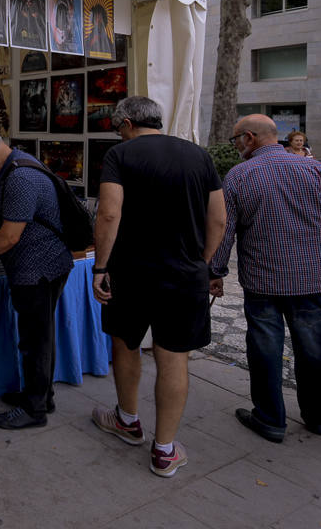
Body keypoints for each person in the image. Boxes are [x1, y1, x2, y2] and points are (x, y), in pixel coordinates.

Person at [90, 96, 226, 478]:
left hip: (130, 272)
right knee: (173, 357)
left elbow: (109, 212)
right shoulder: (199, 156)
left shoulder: (121, 154)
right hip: (184, 275)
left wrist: (101, 266)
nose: (119, 133)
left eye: (119, 127)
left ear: (128, 122)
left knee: (125, 343)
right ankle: (164, 450)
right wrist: (202, 261)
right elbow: (218, 219)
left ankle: (128, 420)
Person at [211, 114, 321, 443]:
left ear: (249, 138)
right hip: (314, 281)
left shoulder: (239, 176)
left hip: (263, 283)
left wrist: (216, 272)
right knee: (312, 347)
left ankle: (270, 419)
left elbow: (224, 231)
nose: (236, 146)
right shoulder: (318, 170)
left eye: (236, 139)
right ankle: (320, 417)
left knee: (265, 348)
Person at [0, 127, 73, 429]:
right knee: (39, 335)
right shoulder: (12, 168)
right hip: (38, 265)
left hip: (38, 268)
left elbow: (10, 237)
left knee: (35, 339)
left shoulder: (20, 177)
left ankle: (34, 408)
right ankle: (39, 395)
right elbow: (1, 222)